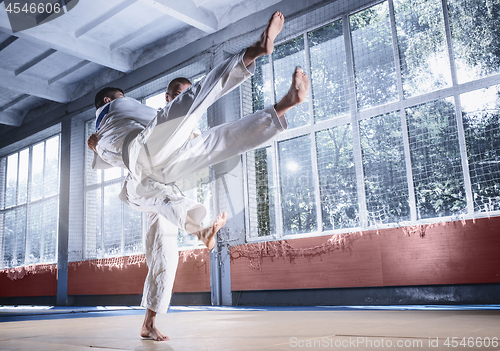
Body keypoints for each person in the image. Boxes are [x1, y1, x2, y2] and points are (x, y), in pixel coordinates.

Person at [87, 11, 310, 341]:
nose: (124, 100)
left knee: (207, 148)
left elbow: (112, 149)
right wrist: (97, 143)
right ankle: (255, 56)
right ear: (109, 100)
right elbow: (168, 114)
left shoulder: (111, 131)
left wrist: (95, 147)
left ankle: (195, 237)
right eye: (120, 97)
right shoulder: (117, 108)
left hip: (157, 173)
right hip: (142, 163)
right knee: (200, 125)